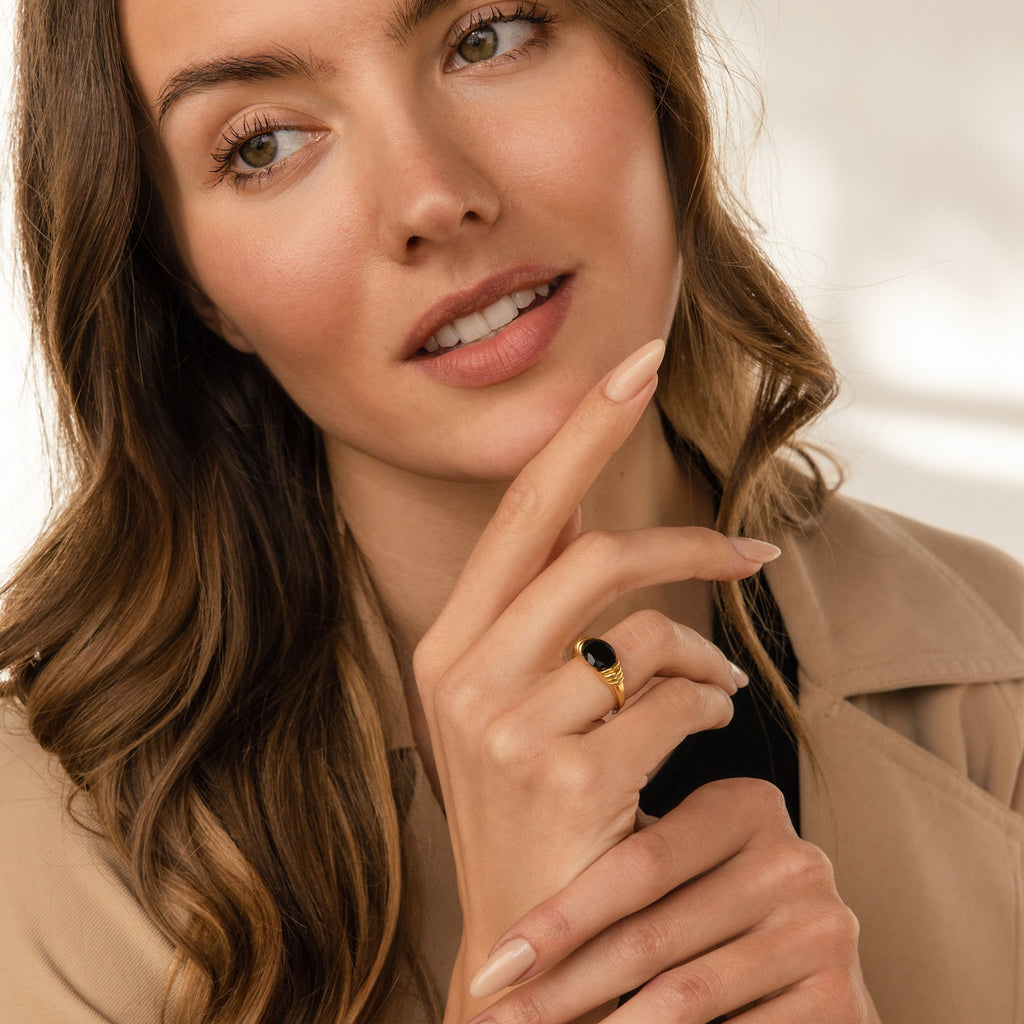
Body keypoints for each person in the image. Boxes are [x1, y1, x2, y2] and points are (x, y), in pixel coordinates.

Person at [1, 0, 1021, 1022]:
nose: (432, 197)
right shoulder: (46, 843)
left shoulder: (1002, 665)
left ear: (654, 67)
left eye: (486, 38)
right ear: (187, 281)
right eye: (262, 144)